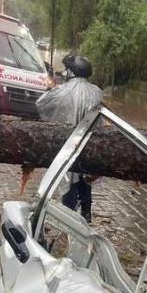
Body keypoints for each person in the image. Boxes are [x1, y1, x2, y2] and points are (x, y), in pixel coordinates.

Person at [36, 54, 103, 222]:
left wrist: (50, 86)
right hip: (90, 145)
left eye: (67, 69)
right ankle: (86, 214)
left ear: (71, 72)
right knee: (84, 181)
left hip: (68, 146)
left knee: (69, 182)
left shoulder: (63, 90)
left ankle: (69, 221)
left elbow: (41, 105)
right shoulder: (97, 92)